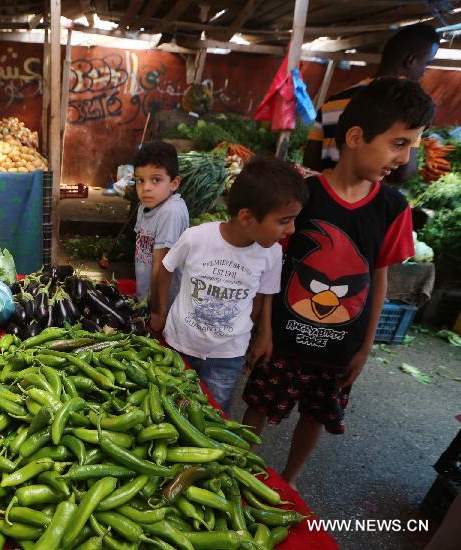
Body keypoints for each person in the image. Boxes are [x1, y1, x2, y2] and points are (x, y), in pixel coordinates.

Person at [243, 78, 433, 486]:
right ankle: (236, 467)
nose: (405, 158)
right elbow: (275, 261)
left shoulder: (393, 208)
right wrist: (264, 328)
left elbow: (379, 277)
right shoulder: (304, 194)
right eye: (399, 143)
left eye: (412, 146)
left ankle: (290, 480)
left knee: (316, 415)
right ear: (355, 137)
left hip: (341, 347)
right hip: (285, 337)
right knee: (258, 404)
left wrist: (365, 347)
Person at [157, 156, 307, 414]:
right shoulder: (197, 238)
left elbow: (265, 295)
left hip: (228, 355)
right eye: (284, 220)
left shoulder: (270, 253)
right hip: (180, 344)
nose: (292, 229)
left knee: (214, 414)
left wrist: (264, 334)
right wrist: (158, 312)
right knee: (170, 408)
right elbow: (165, 268)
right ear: (247, 217)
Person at [303, 23, 438, 183]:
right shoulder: (408, 108)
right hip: (371, 203)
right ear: (411, 60)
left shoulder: (333, 101)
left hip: (329, 194)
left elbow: (310, 161)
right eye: (426, 64)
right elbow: (402, 174)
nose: (424, 72)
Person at [132, 141, 189, 334]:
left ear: (174, 183)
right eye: (140, 180)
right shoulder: (145, 206)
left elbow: (163, 266)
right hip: (147, 301)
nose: (146, 187)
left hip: (166, 306)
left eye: (155, 180)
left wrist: (159, 312)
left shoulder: (170, 212)